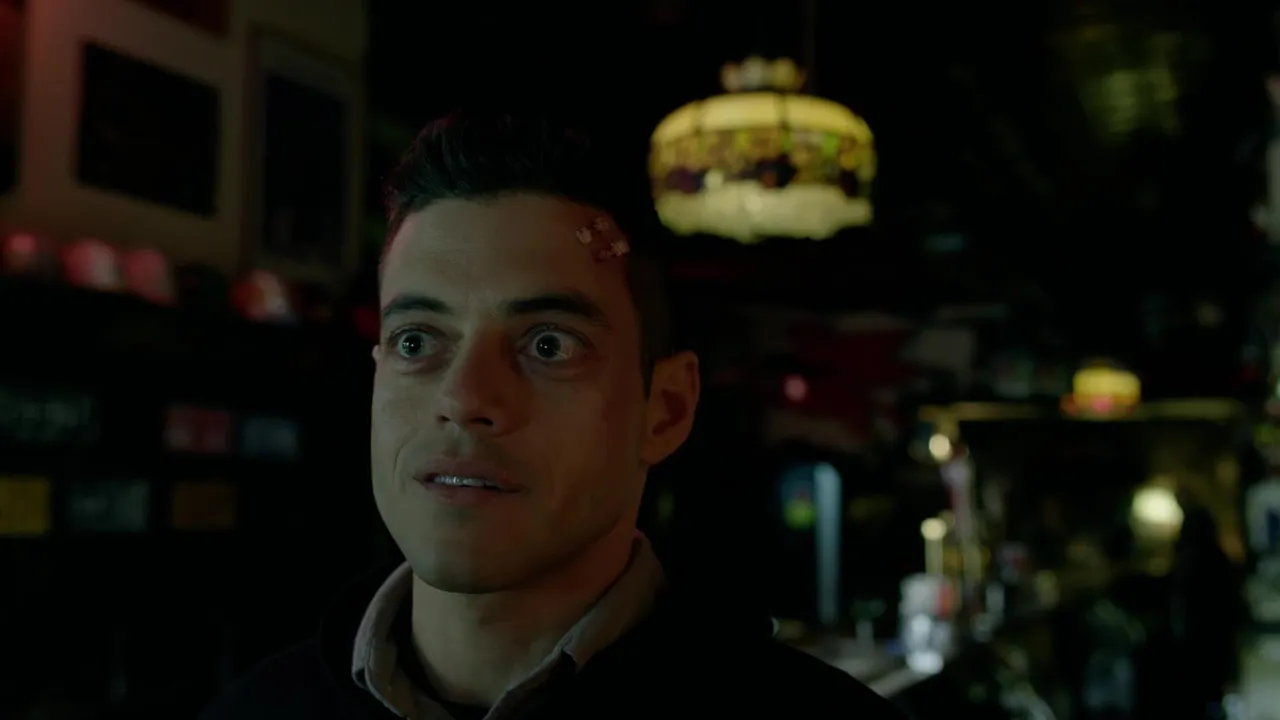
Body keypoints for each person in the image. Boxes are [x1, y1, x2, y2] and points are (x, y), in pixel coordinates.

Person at [199, 107, 903, 719]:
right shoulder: (254, 711)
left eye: (548, 344)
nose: (465, 400)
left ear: (665, 410)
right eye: (416, 341)